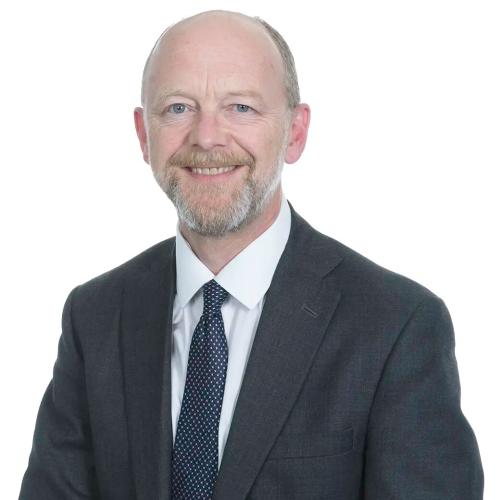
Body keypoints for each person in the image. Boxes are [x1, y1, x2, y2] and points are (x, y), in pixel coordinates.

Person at [19, 9, 483, 500]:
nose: (207, 137)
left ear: (295, 132)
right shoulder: (95, 317)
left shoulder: (396, 325)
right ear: (143, 134)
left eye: (240, 107)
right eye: (178, 108)